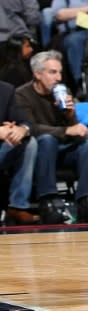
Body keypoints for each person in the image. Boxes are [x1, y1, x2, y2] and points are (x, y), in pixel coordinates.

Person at [15, 51, 88, 224]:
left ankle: (87, 202)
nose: (58, 78)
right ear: (38, 74)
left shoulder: (62, 91)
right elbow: (30, 128)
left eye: (60, 72)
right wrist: (66, 131)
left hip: (61, 150)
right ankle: (48, 201)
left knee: (85, 146)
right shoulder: (22, 95)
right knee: (47, 140)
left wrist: (70, 113)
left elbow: (72, 125)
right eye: (52, 72)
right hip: (37, 153)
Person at [0, 81, 39, 225]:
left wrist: (22, 129)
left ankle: (17, 206)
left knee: (29, 143)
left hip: (2, 149)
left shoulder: (6, 89)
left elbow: (23, 121)